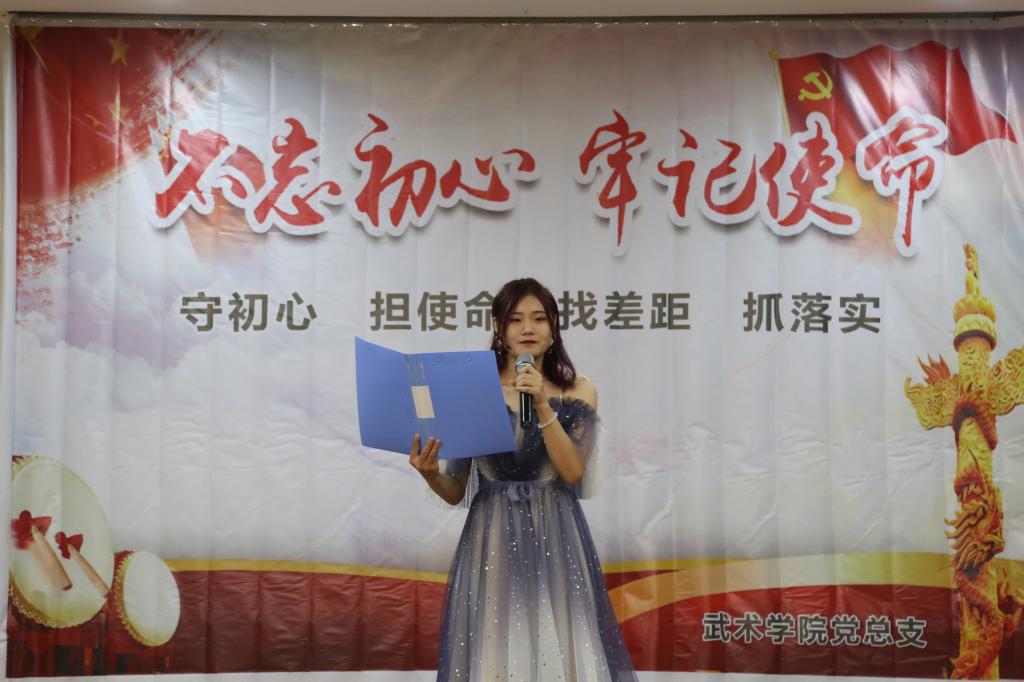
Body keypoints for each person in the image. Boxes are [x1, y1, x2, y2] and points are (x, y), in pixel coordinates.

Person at [408, 278, 638, 682]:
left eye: (538, 318)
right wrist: (430, 475)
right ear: (498, 327)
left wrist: (543, 405)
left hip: (557, 534)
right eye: (515, 320)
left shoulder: (579, 390)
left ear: (554, 326)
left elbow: (572, 472)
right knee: (498, 646)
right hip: (492, 538)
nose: (527, 328)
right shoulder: (473, 391)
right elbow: (455, 489)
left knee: (562, 639)